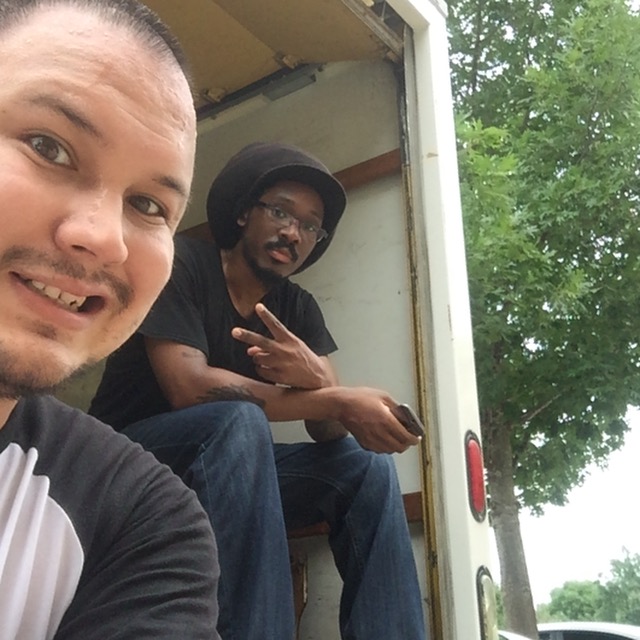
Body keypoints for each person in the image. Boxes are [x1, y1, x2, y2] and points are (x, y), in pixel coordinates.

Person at [90, 141, 428, 640]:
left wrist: (319, 381)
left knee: (365, 466)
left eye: (310, 226)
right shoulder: (183, 264)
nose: (293, 232)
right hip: (127, 465)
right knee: (238, 421)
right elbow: (188, 386)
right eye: (281, 212)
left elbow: (329, 433)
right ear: (244, 214)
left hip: (229, 476)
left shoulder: (299, 308)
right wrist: (336, 396)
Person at [0, 1, 221, 638]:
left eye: (149, 205)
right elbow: (189, 385)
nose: (104, 238)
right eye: (48, 147)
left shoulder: (146, 522)